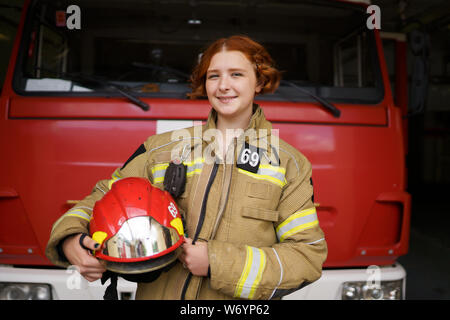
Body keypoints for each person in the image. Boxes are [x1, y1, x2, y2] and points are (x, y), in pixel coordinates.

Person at [46, 35, 327, 300]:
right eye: (214, 76)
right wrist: (70, 238)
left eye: (236, 75)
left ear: (258, 82)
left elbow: (306, 256)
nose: (223, 86)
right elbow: (103, 198)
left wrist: (216, 262)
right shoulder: (161, 149)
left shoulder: (288, 164)